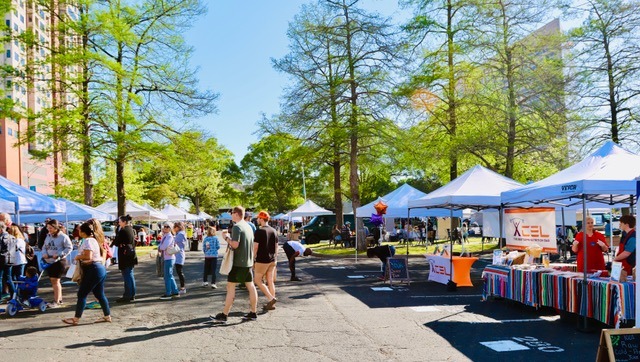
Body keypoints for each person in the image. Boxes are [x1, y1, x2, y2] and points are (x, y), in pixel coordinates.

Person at [211, 206, 258, 323]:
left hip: (237, 263)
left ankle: (224, 314)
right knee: (251, 287)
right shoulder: (248, 226)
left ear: (236, 214)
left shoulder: (237, 227)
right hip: (248, 261)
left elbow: (235, 245)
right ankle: (253, 312)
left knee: (231, 287)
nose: (230, 215)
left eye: (231, 213)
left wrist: (226, 238)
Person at [62, 222, 111, 326]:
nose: (78, 232)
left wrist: (77, 257)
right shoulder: (93, 240)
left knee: (82, 294)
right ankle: (107, 316)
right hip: (99, 268)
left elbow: (88, 256)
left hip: (93, 269)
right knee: (99, 294)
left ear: (83, 232)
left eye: (79, 230)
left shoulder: (88, 241)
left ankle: (76, 318)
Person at [41, 219, 73, 308]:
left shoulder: (63, 236)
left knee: (55, 281)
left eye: (51, 228)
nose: (49, 230)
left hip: (58, 262)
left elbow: (69, 248)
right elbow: (44, 247)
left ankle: (56, 301)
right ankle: (59, 299)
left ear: (55, 227)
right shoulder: (48, 236)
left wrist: (59, 254)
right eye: (48, 228)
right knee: (53, 281)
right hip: (49, 261)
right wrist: (44, 253)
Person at [253, 211, 278, 311]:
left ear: (262, 219)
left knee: (257, 280)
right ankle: (271, 304)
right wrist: (275, 258)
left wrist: (253, 258)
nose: (257, 220)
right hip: (272, 260)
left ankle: (271, 299)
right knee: (270, 281)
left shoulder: (259, 231)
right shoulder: (274, 230)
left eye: (258, 218)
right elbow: (276, 246)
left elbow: (255, 247)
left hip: (262, 260)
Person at [111, 215, 137, 303]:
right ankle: (132, 294)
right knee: (130, 274)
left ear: (124, 222)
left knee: (127, 275)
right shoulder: (131, 229)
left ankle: (127, 295)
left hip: (125, 255)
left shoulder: (123, 230)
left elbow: (117, 242)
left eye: (120, 221)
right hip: (130, 254)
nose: (118, 223)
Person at [157, 223, 180, 300]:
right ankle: (175, 291)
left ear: (170, 228)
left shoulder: (169, 236)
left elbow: (163, 246)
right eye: (164, 226)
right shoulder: (165, 236)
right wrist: (160, 247)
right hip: (167, 258)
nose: (165, 228)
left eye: (167, 227)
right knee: (170, 276)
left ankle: (168, 293)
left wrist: (159, 247)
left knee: (167, 276)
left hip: (169, 258)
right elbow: (161, 246)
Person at [0, 221, 14, 301]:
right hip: (10, 260)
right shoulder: (11, 237)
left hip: (1, 260)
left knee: (0, 278)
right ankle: (13, 295)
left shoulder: (1, 237)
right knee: (9, 278)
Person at [173, 221, 187, 294]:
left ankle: (183, 288)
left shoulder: (180, 234)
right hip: (178, 254)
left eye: (174, 227)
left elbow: (173, 242)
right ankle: (182, 287)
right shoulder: (181, 233)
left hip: (179, 254)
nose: (173, 229)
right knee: (179, 271)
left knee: (179, 272)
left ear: (178, 227)